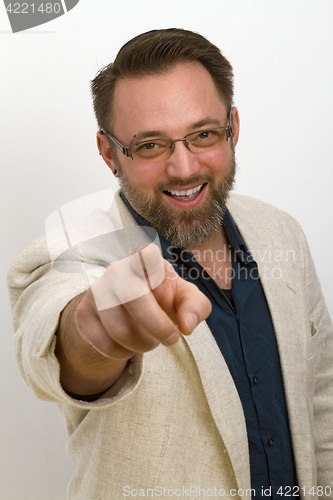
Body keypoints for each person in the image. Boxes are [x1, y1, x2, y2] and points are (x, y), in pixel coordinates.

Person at [7, 28, 333, 500]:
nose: (183, 169)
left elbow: (321, 400)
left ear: (233, 128)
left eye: (203, 135)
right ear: (108, 153)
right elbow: (56, 338)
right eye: (150, 146)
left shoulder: (282, 232)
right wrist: (96, 332)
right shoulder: (76, 252)